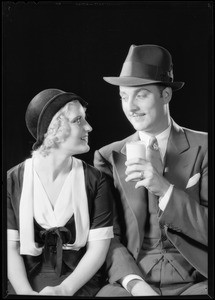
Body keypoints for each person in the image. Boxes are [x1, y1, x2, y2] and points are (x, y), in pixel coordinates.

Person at [94, 44, 208, 296]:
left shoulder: (205, 146)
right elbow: (107, 236)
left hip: (198, 279)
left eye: (141, 95)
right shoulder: (107, 156)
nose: (130, 107)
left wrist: (165, 190)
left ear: (165, 95)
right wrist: (134, 283)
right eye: (124, 96)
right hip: (135, 279)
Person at [7, 88, 114, 296]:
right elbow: (9, 249)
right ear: (52, 129)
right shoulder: (12, 180)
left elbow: (98, 249)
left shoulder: (96, 180)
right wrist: (25, 293)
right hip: (23, 281)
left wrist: (64, 289)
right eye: (77, 121)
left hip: (78, 282)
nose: (89, 127)